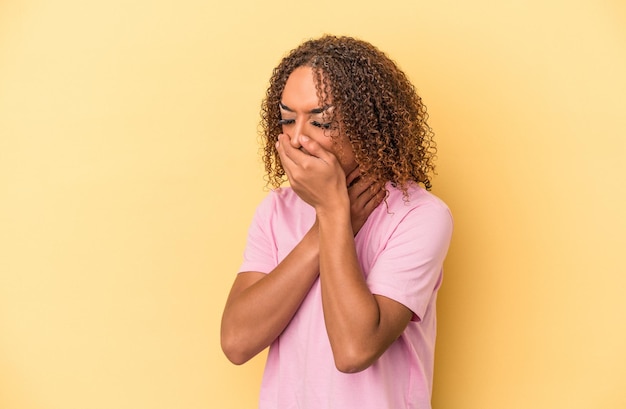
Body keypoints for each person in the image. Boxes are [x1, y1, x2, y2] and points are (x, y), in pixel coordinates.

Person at [220, 35, 453, 409]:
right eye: (286, 119)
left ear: (369, 123)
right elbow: (236, 341)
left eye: (321, 120)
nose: (296, 138)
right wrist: (326, 225)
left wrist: (330, 211)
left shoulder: (420, 216)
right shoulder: (276, 210)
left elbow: (354, 350)